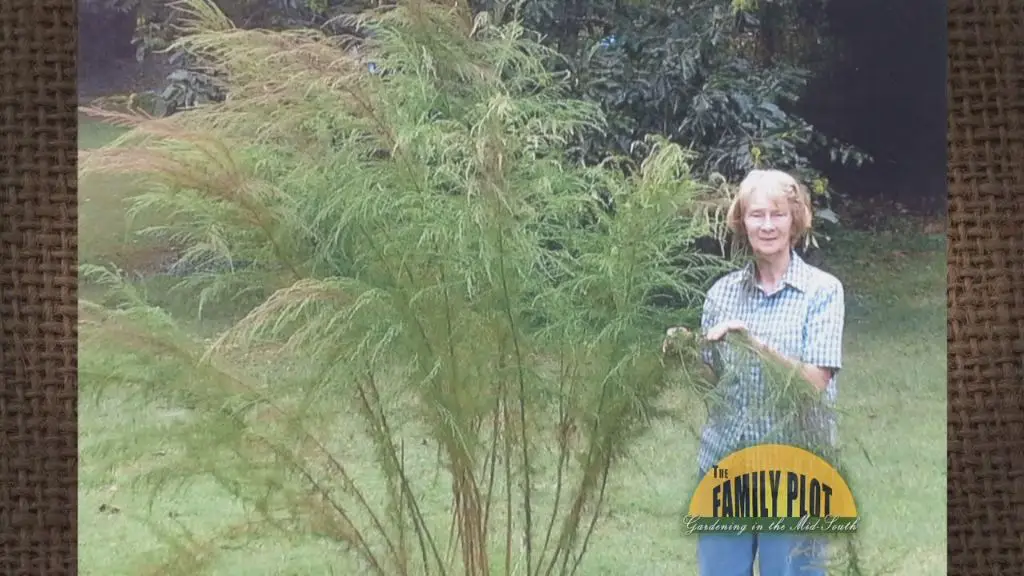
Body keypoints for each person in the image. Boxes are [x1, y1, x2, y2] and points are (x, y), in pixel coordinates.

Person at [662, 169, 845, 576]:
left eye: (777, 215)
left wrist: (756, 345)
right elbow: (713, 383)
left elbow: (816, 383)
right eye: (755, 214)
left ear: (795, 220)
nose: (766, 225)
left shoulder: (823, 291)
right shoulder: (721, 292)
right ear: (741, 222)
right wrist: (686, 354)